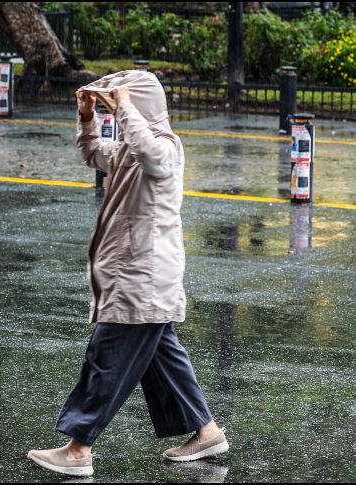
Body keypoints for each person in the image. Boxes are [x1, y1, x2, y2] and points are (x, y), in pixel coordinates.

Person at [27, 70, 229, 477]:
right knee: (162, 357)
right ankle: (206, 431)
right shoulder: (127, 148)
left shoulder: (167, 147)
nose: (116, 112)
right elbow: (93, 154)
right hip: (130, 275)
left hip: (143, 278)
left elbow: (151, 155)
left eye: (119, 104)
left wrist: (126, 107)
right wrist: (87, 117)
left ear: (141, 106)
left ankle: (79, 448)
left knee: (108, 355)